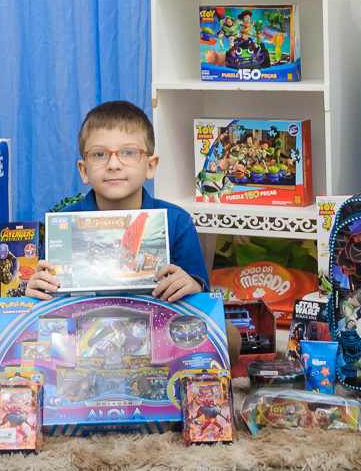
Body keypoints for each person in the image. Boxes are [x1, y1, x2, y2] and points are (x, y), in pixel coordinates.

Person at [25, 101, 241, 365]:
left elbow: (200, 302)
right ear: (83, 170)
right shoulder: (64, 224)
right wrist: (36, 292)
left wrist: (191, 285)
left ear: (150, 166)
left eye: (128, 153)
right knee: (30, 339)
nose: (114, 164)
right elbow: (50, 307)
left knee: (228, 336)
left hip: (156, 334)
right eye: (99, 154)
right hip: (88, 337)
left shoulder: (176, 221)